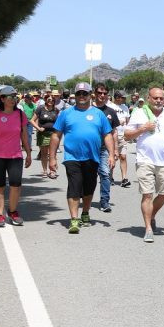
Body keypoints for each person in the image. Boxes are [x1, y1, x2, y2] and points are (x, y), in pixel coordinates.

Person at [49, 82, 114, 234]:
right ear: (75, 96)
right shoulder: (66, 113)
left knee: (89, 187)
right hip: (72, 157)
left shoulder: (99, 114)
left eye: (85, 94)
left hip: (93, 157)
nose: (82, 96)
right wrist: (52, 157)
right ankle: (74, 219)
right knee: (74, 186)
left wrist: (112, 154)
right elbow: (56, 135)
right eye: (79, 94)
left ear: (90, 95)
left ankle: (85, 212)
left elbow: (107, 135)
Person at [124, 86, 164, 243]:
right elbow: (127, 135)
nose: (159, 100)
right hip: (145, 160)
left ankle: (152, 215)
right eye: (155, 98)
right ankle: (148, 229)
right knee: (148, 194)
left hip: (163, 162)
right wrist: (144, 128)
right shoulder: (139, 113)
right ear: (149, 98)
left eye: (161, 98)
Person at [0, 86, 33, 226]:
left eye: (15, 97)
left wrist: (28, 154)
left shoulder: (20, 115)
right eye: (10, 97)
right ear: (2, 99)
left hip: (15, 156)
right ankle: (0, 215)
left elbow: (24, 137)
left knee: (16, 184)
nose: (13, 99)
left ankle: (13, 212)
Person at [92, 83, 120, 212]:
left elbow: (114, 132)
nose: (102, 96)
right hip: (88, 149)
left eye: (104, 93)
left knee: (105, 174)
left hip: (104, 149)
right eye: (99, 93)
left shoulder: (111, 112)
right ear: (94, 94)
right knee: (88, 175)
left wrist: (115, 150)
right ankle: (85, 197)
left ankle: (104, 201)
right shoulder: (87, 109)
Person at [30, 95, 60, 177]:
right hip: (43, 134)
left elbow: (59, 122)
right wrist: (38, 128)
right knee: (44, 154)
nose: (51, 101)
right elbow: (32, 120)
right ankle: (45, 171)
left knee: (52, 153)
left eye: (53, 100)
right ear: (46, 100)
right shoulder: (40, 108)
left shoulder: (56, 110)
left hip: (53, 134)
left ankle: (52, 171)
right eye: (49, 99)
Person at [112, 91, 131, 187]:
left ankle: (124, 178)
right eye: (122, 97)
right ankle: (110, 177)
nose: (124, 99)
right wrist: (118, 122)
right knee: (113, 157)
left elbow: (128, 121)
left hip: (122, 135)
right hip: (112, 135)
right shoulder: (110, 107)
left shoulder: (125, 107)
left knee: (123, 156)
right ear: (117, 97)